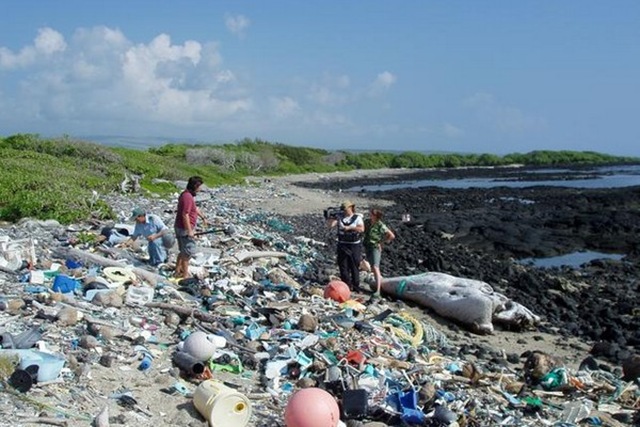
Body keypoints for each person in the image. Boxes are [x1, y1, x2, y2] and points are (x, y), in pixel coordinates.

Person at [327, 200, 365, 291]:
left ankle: (356, 286)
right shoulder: (340, 217)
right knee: (343, 265)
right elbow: (330, 225)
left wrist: (350, 228)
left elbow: (361, 229)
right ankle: (346, 285)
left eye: (345, 209)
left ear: (351, 208)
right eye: (343, 209)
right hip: (342, 244)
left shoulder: (357, 218)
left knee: (354, 265)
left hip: (354, 245)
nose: (344, 211)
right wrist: (331, 217)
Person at [174, 176, 207, 279]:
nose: (200, 189)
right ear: (195, 186)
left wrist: (203, 217)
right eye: (199, 186)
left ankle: (177, 271)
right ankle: (185, 276)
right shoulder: (187, 197)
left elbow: (194, 208)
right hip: (184, 229)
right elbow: (185, 214)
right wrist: (189, 231)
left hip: (180, 227)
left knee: (182, 251)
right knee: (187, 253)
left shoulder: (187, 195)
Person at [363, 207, 395, 297]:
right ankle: (375, 285)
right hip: (367, 246)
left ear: (376, 216)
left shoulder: (380, 225)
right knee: (372, 267)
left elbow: (391, 235)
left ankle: (378, 290)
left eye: (372, 214)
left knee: (376, 267)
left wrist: (382, 243)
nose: (370, 215)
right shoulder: (367, 222)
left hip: (375, 247)